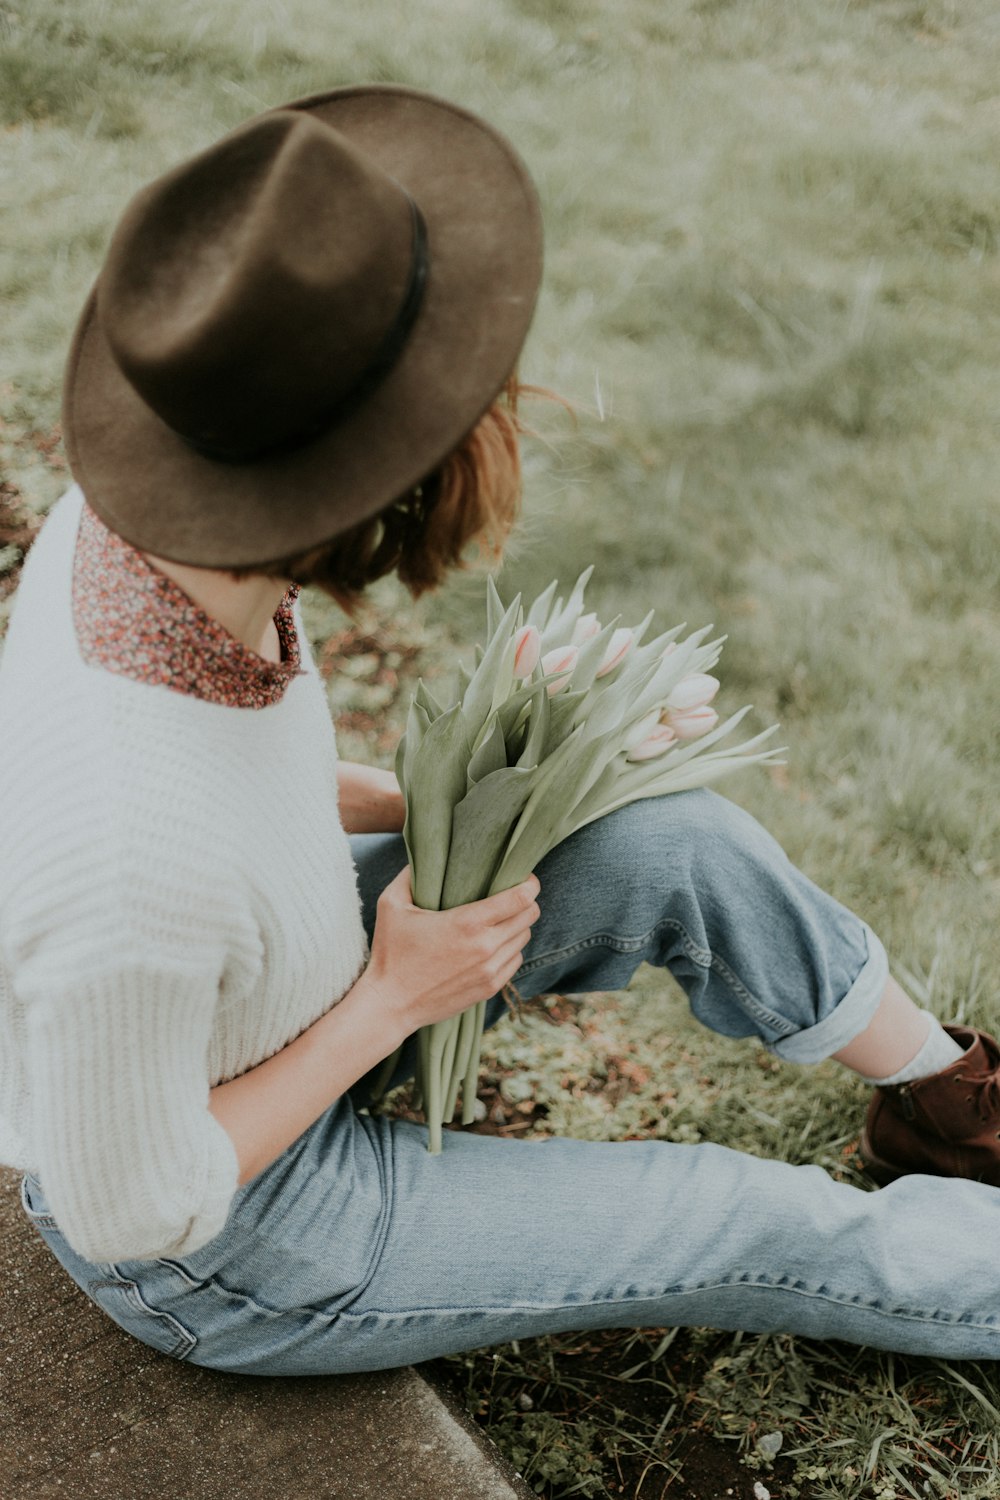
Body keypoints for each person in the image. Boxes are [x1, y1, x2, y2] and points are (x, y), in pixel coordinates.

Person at [2, 85, 999, 1380]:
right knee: (731, 1216)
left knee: (662, 839)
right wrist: (390, 1003)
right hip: (245, 1236)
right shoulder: (129, 866)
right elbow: (133, 1207)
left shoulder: (147, 541)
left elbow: (247, 787)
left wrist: (497, 796)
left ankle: (945, 1097)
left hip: (274, 994)